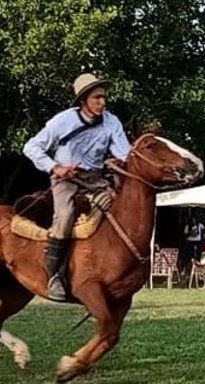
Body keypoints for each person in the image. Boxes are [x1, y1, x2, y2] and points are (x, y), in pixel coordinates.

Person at [23, 73, 130, 301]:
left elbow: (124, 154)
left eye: (104, 97)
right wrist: (55, 167)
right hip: (66, 180)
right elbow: (31, 147)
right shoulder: (63, 121)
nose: (103, 102)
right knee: (65, 216)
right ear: (84, 101)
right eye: (97, 98)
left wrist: (118, 162)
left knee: (120, 208)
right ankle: (55, 277)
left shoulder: (112, 122)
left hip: (96, 179)